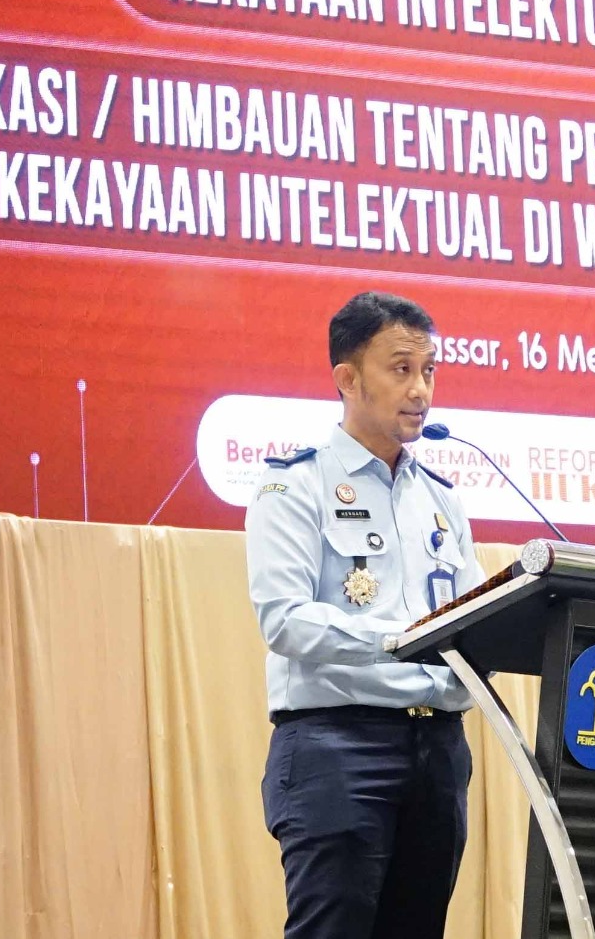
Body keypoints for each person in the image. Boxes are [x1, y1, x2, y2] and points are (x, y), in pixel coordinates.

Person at [246, 290, 485, 939]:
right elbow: (285, 619)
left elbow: (474, 619)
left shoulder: (443, 501)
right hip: (338, 746)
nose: (421, 390)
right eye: (401, 368)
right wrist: (405, 640)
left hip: (439, 750)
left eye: (429, 370)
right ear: (348, 379)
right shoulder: (295, 484)